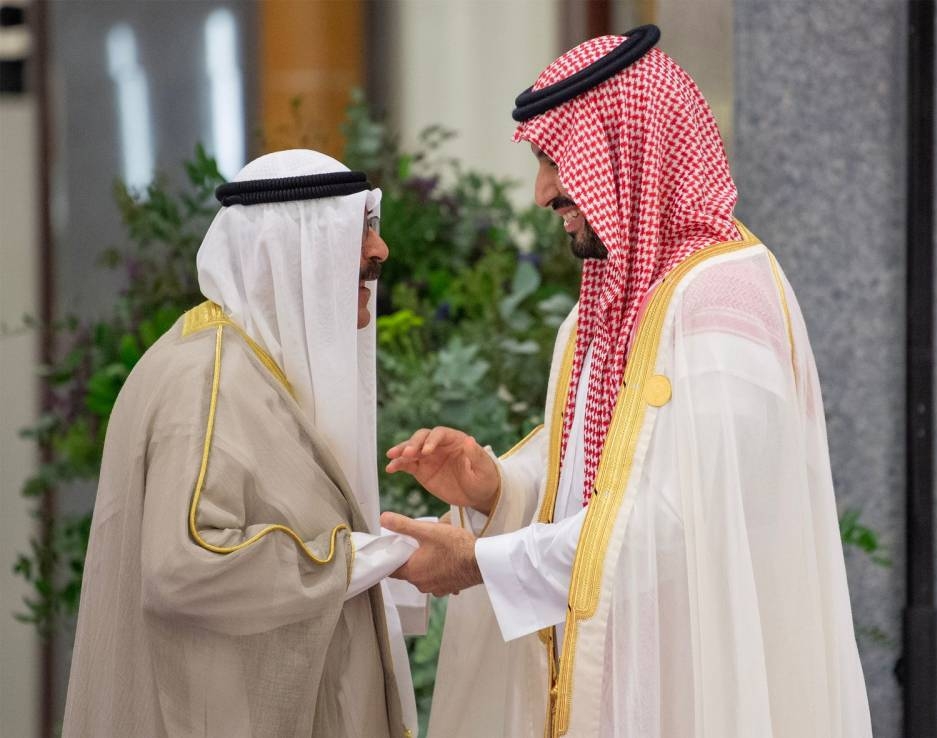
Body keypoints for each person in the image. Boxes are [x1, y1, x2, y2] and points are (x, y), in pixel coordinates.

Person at [381, 26, 874, 738]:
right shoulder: (611, 300)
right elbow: (607, 470)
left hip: (689, 695)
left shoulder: (722, 307)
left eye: (556, 160)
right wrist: (497, 488)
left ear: (627, 153)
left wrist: (482, 562)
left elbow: (677, 525)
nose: (543, 192)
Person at [63, 149, 421, 738]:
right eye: (357, 231)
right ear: (291, 248)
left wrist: (395, 555)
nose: (379, 250)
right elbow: (190, 563)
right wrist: (366, 558)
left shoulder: (252, 368)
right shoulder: (207, 380)